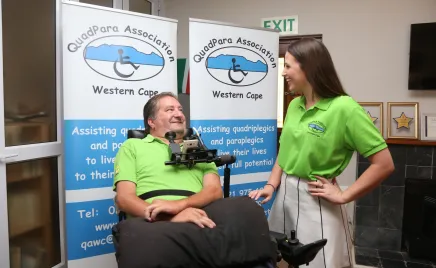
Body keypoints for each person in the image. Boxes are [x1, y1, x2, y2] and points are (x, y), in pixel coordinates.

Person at [249, 38, 395, 268]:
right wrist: (271, 185)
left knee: (319, 263)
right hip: (284, 197)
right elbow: (285, 152)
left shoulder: (345, 108)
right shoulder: (294, 105)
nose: (283, 72)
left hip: (317, 199)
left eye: (288, 66)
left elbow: (384, 163)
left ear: (308, 67)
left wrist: (345, 196)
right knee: (279, 260)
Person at [113, 92, 223, 229]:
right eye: (170, 110)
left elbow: (214, 191)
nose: (179, 114)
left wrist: (178, 206)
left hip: (200, 215)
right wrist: (172, 217)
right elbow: (124, 199)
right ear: (151, 122)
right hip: (153, 222)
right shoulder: (132, 146)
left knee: (243, 207)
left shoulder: (197, 148)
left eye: (180, 110)